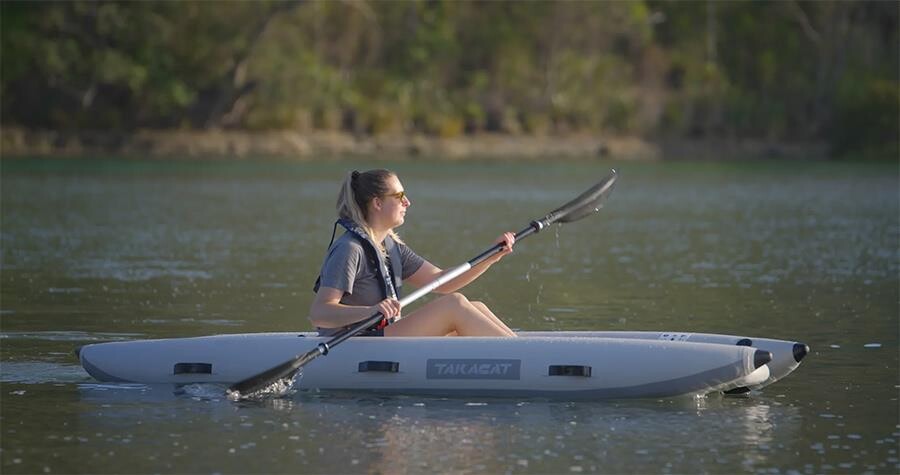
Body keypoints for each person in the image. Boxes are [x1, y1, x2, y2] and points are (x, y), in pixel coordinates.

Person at [309, 169, 517, 337]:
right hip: (356, 343)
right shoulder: (349, 249)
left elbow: (441, 281)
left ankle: (519, 352)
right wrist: (371, 311)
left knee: (474, 307)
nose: (407, 202)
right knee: (454, 305)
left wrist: (492, 256)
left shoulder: (390, 246)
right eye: (399, 196)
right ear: (377, 203)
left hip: (381, 336)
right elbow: (320, 313)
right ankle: (520, 359)